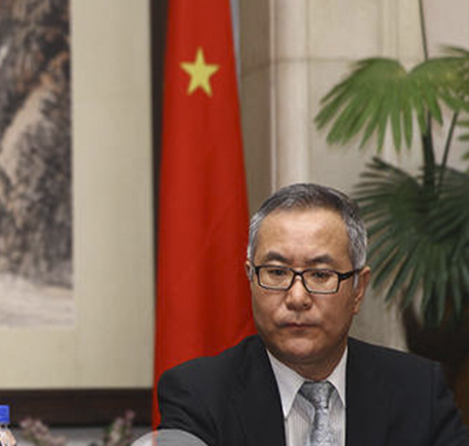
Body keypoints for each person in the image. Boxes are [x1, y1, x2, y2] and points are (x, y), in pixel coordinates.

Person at [157, 183, 469, 446]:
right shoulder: (198, 395)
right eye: (277, 272)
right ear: (250, 278)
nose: (297, 298)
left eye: (320, 275)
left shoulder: (419, 391)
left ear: (358, 289)